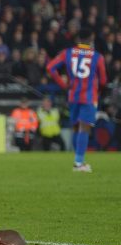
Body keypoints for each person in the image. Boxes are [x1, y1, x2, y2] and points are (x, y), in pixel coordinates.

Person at [45, 27, 108, 172]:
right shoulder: (97, 57)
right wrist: (98, 87)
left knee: (75, 128)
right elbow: (104, 80)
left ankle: (78, 160)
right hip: (89, 96)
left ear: (78, 39)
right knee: (84, 128)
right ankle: (78, 163)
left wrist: (64, 84)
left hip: (73, 95)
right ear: (91, 39)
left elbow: (50, 67)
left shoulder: (67, 53)